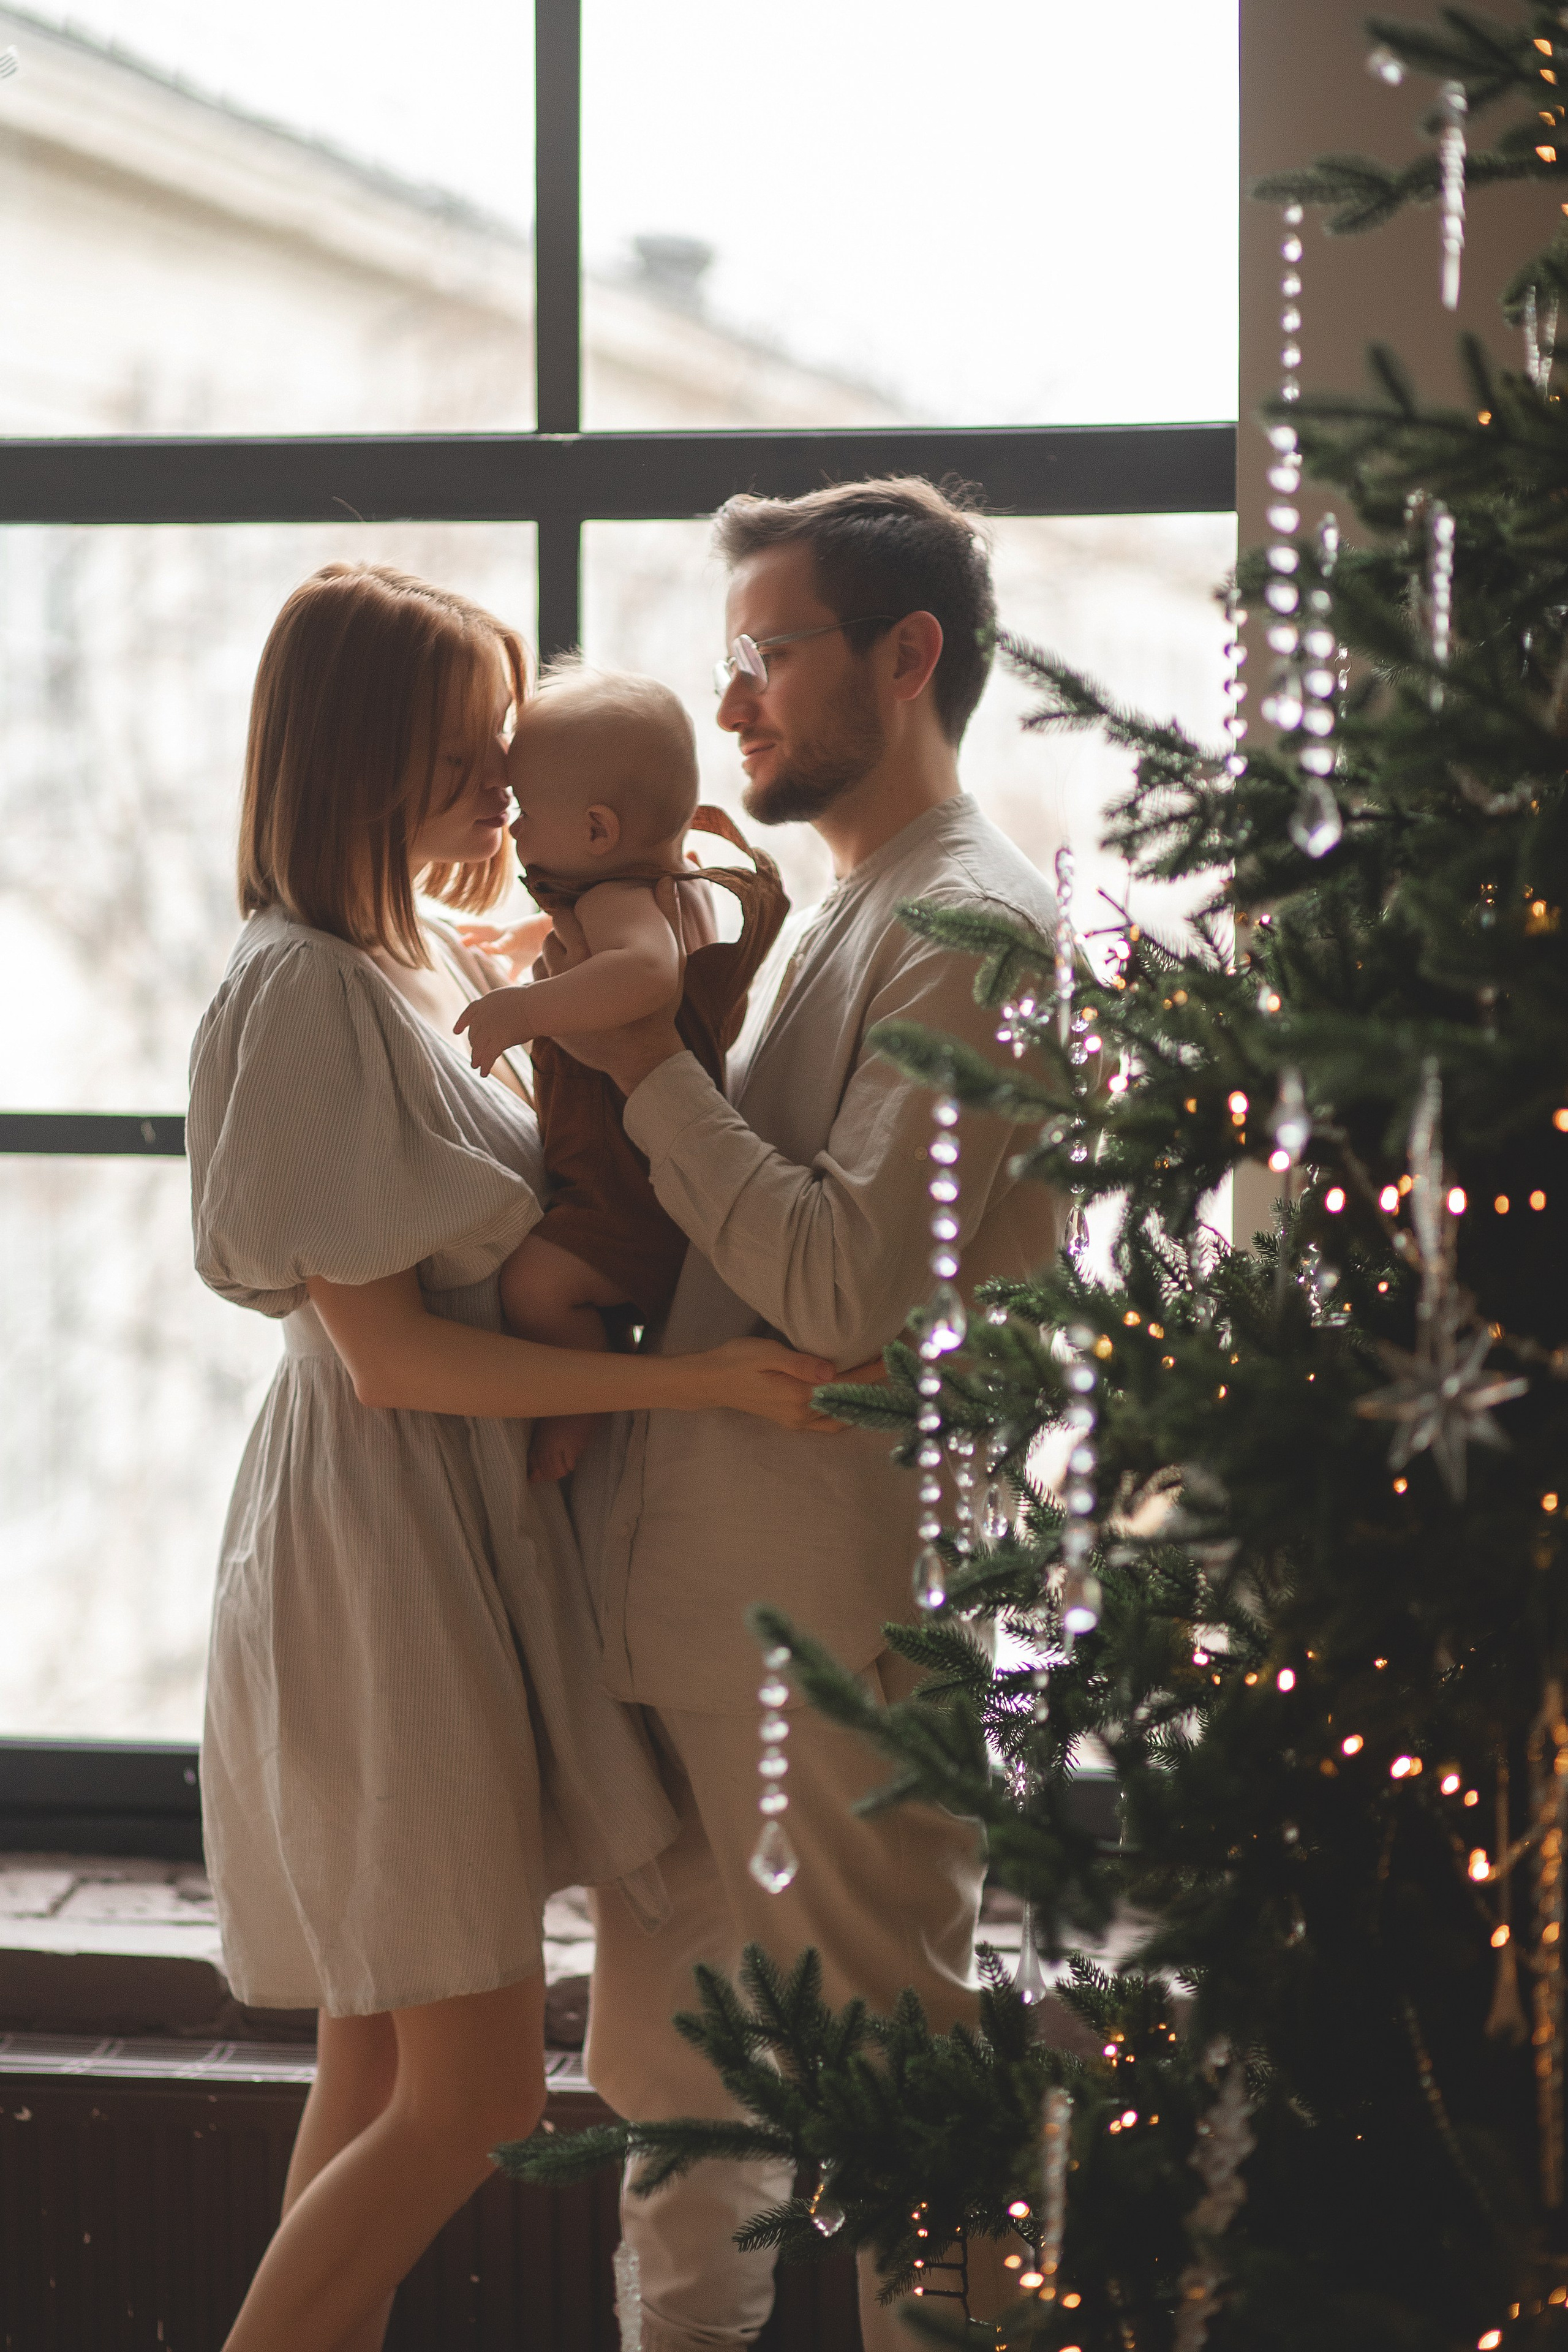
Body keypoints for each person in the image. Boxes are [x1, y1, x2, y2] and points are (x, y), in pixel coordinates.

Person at [186, 562, 835, 2352]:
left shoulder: (405, 959)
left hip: (422, 1528)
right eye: (472, 756)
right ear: (369, 763)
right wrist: (699, 1394)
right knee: (469, 2093)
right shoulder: (309, 988)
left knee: (383, 2058)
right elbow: (386, 1356)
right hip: (378, 1541)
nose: (505, 790)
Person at [565, 477, 1066, 2351]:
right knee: (682, 2146)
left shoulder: (982, 929)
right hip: (706, 1618)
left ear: (908, 655)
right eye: (733, 661)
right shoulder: (846, 912)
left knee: (901, 2126)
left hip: (843, 1635)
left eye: (769, 655)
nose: (738, 701)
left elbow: (848, 1282)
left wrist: (640, 1072)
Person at [453, 660, 788, 1483]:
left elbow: (645, 975)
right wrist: (529, 945)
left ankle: (583, 1391)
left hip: (623, 1174)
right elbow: (619, 944)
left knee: (533, 1288)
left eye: (527, 811)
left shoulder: (619, 903)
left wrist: (521, 1011)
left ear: (599, 831)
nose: (515, 829)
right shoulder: (659, 883)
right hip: (645, 1167)